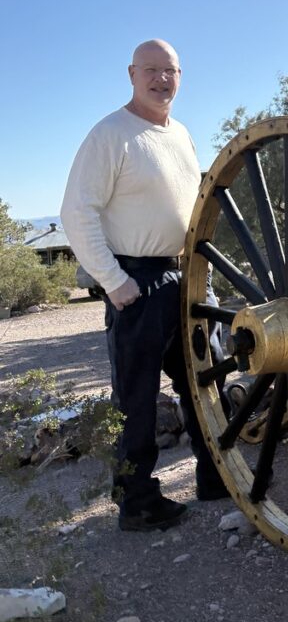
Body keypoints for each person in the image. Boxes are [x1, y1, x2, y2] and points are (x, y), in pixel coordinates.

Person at [61, 39, 228, 532]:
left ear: (181, 77)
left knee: (203, 382)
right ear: (131, 74)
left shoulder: (181, 135)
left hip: (185, 275)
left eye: (170, 71)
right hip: (136, 278)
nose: (161, 79)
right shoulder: (110, 134)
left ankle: (216, 476)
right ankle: (137, 501)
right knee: (135, 396)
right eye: (151, 70)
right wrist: (114, 280)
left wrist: (203, 273)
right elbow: (77, 212)